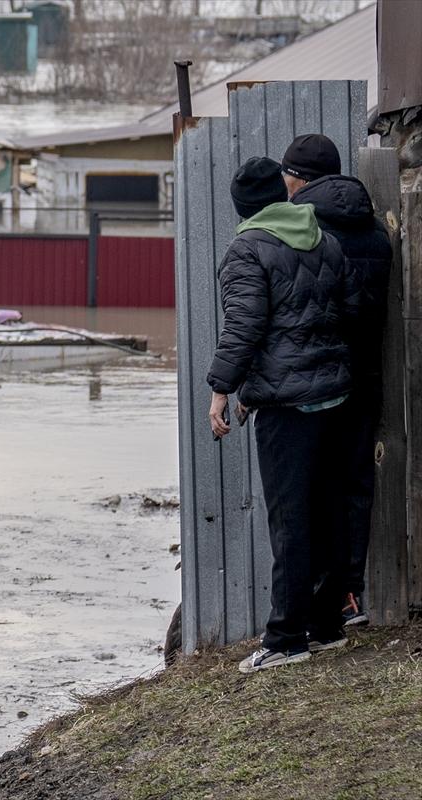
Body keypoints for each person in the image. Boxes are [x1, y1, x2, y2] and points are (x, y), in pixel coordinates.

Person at [206, 156, 358, 674]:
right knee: (328, 512)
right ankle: (327, 627)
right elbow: (345, 312)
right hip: (334, 397)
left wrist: (222, 390)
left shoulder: (247, 249)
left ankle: (286, 638)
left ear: (243, 208)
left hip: (286, 407)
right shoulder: (323, 238)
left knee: (290, 520)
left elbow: (243, 329)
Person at [282, 133, 392, 627]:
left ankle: (312, 607)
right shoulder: (373, 230)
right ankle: (349, 596)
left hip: (317, 378)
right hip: (365, 373)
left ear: (297, 178)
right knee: (352, 486)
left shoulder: (302, 228)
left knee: (308, 490)